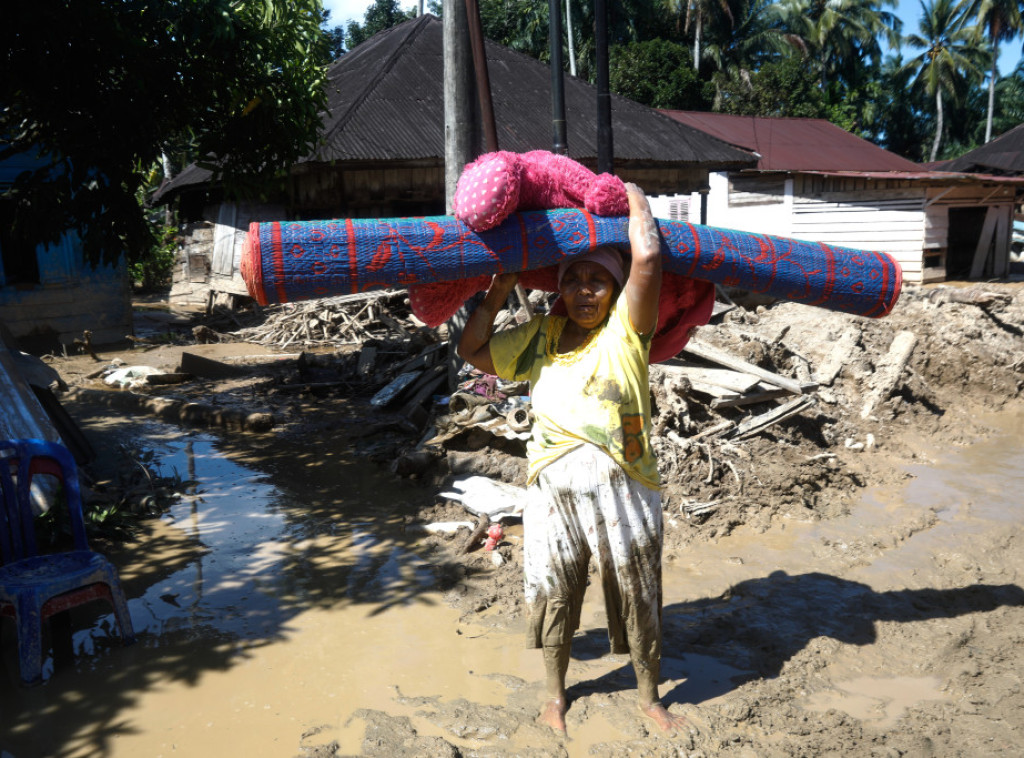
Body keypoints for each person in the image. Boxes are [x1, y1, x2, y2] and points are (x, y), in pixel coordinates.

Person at [457, 183, 692, 736]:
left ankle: (650, 698)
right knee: (552, 588)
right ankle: (555, 696)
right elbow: (472, 351)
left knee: (639, 589)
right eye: (573, 279)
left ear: (615, 289)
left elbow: (650, 256)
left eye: (598, 281)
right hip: (549, 488)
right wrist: (498, 292)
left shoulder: (626, 333)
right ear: (559, 287)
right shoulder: (542, 335)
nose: (585, 291)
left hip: (625, 487)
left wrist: (633, 194)